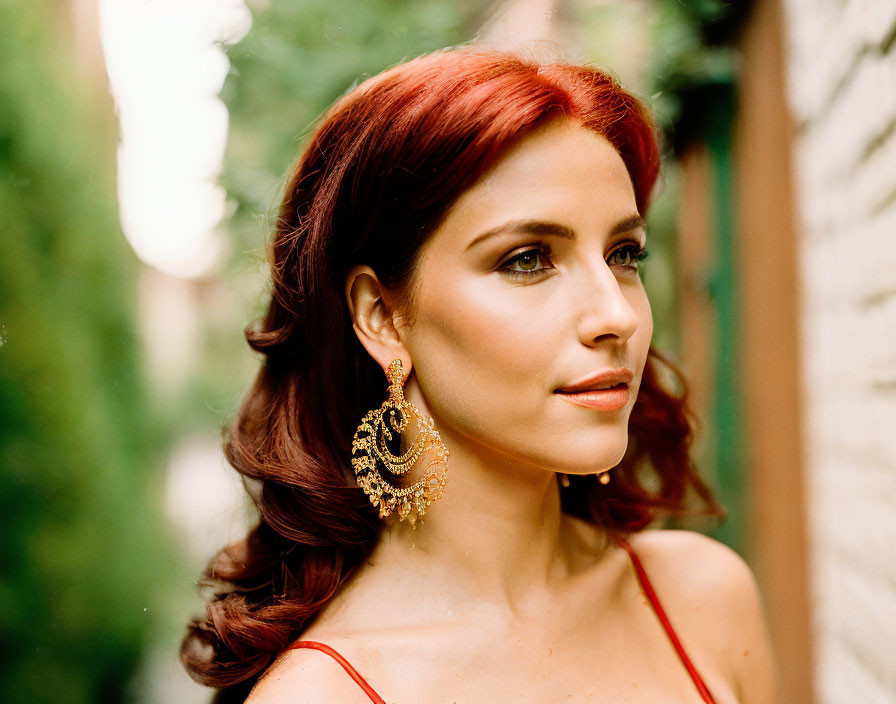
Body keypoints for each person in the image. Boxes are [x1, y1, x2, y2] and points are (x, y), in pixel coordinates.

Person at [180, 45, 779, 703]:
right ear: (382, 315)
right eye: (527, 259)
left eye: (623, 253)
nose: (617, 314)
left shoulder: (701, 599)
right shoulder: (324, 694)